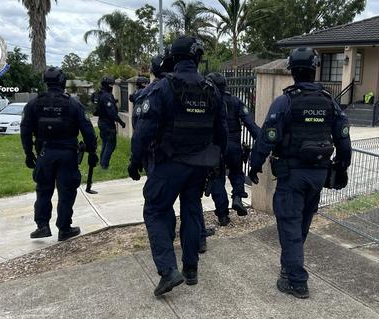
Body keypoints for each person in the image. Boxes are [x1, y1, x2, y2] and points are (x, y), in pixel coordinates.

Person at [248, 47, 351, 299]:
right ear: (314, 69)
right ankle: (289, 267)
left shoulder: (286, 101)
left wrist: (254, 163)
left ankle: (296, 281)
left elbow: (268, 136)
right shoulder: (329, 101)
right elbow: (344, 138)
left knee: (290, 225)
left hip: (292, 175)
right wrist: (343, 165)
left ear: (292, 71)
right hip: (318, 175)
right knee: (302, 222)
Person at [129, 35, 227, 297]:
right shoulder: (212, 89)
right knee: (192, 210)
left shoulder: (162, 88)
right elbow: (222, 133)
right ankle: (191, 269)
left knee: (155, 211)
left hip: (169, 163)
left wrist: (135, 161)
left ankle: (168, 271)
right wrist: (219, 164)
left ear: (172, 57)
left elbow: (143, 132)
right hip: (199, 165)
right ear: (196, 58)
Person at [21, 67, 98, 242]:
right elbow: (87, 130)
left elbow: (25, 130)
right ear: (62, 82)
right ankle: (64, 228)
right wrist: (92, 151)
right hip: (67, 155)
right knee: (67, 192)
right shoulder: (73, 104)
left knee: (43, 190)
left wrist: (28, 153)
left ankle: (42, 226)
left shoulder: (33, 104)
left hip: (44, 153)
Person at [206, 72, 260, 226]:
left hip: (214, 147)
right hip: (234, 146)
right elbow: (250, 124)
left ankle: (222, 215)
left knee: (217, 178)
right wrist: (263, 142)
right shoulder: (235, 101)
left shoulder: (208, 102)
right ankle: (237, 197)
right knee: (236, 171)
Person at [96, 75, 126, 169]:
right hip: (107, 123)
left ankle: (102, 163)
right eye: (111, 85)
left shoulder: (101, 94)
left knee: (105, 142)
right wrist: (121, 122)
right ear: (107, 85)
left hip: (102, 122)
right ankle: (104, 164)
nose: (112, 87)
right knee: (111, 144)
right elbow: (111, 112)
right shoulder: (106, 96)